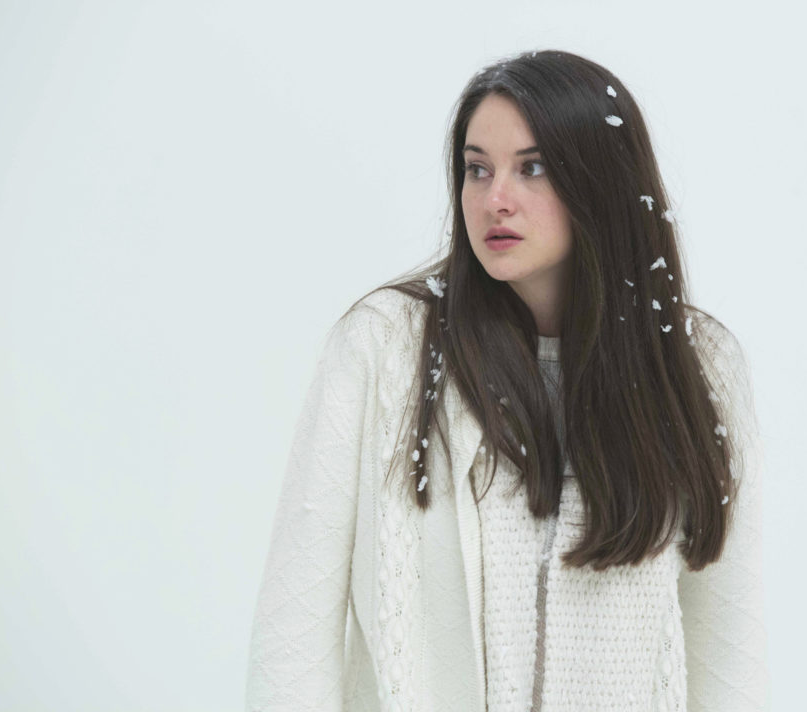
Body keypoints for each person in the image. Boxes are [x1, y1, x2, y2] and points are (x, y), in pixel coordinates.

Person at [244, 49, 768, 711]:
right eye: (477, 169)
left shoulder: (696, 365)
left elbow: (729, 651)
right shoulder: (384, 347)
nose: (495, 200)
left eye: (533, 167)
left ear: (601, 181)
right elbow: (295, 630)